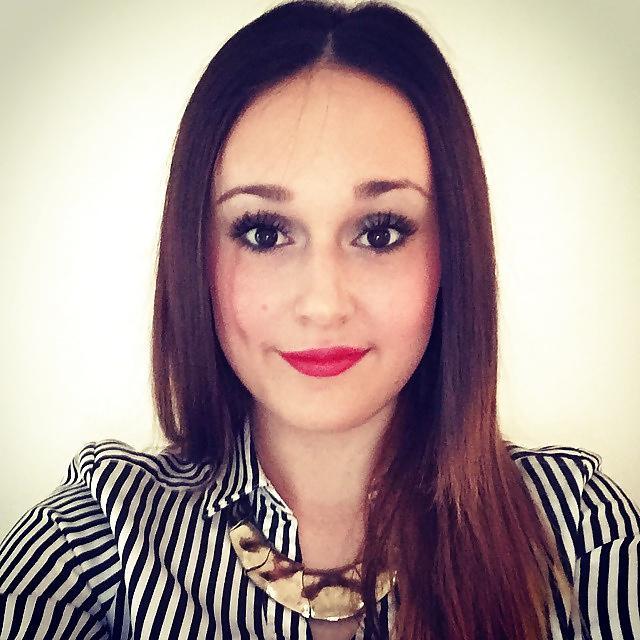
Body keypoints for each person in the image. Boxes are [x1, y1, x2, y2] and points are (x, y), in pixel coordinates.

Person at [1, 1, 638, 638]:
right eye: (263, 232)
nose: (324, 304)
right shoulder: (103, 533)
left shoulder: (575, 532)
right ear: (195, 253)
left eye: (381, 232)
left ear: (453, 252)